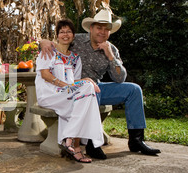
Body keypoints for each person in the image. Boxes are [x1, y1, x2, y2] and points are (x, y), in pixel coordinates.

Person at [39, 9, 161, 159]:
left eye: (106, 29)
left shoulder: (112, 49)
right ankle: (92, 144)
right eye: (99, 28)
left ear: (110, 32)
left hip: (97, 86)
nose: (102, 32)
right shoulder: (76, 40)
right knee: (90, 90)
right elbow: (57, 43)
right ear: (91, 28)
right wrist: (43, 41)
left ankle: (136, 140)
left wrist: (110, 56)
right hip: (75, 88)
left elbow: (120, 78)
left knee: (133, 90)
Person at [35, 19, 103, 163]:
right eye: (62, 32)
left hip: (66, 92)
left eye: (69, 32)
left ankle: (71, 140)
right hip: (49, 93)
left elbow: (75, 82)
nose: (65, 35)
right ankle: (75, 145)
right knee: (84, 100)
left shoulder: (75, 58)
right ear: (57, 35)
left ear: (73, 35)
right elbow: (45, 74)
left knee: (87, 92)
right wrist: (65, 86)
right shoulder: (49, 51)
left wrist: (88, 81)